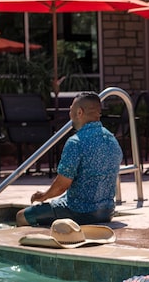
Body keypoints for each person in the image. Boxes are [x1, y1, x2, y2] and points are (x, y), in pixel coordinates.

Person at [16, 92, 122, 227]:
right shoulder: (112, 140)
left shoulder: (76, 142)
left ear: (79, 112)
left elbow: (61, 186)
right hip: (106, 212)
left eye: (71, 109)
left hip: (79, 212)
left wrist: (44, 196)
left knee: (21, 216)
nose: (69, 114)